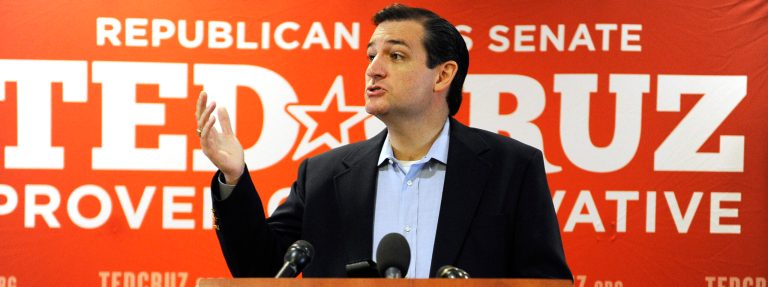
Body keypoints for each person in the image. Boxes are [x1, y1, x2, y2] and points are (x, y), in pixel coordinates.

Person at [195, 4, 572, 279]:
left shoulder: (510, 168)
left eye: (396, 55)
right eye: (371, 55)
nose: (373, 68)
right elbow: (262, 269)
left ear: (443, 75)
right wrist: (233, 177)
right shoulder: (325, 174)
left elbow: (545, 281)